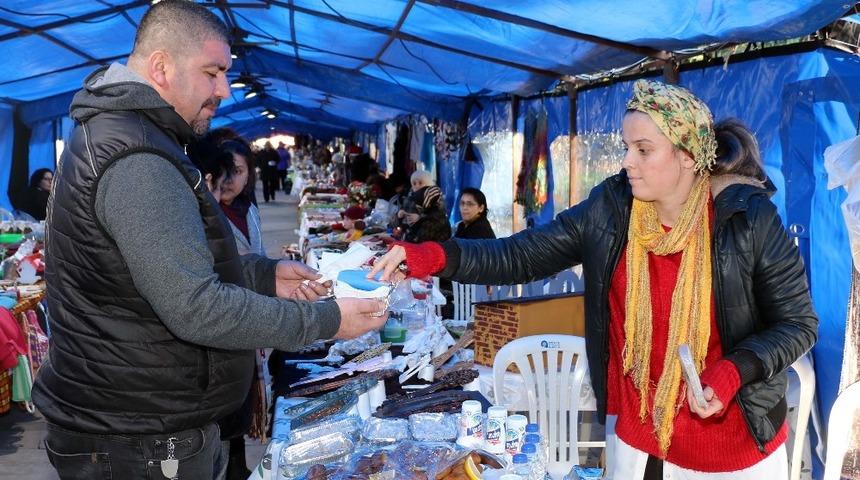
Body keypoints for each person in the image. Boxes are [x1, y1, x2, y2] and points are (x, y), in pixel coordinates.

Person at [372, 80, 818, 479]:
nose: (627, 162)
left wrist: (734, 369)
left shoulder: (747, 219)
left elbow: (798, 323)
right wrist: (432, 255)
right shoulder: (612, 209)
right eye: (626, 147)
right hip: (640, 439)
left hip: (731, 447)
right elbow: (520, 254)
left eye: (643, 150)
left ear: (686, 156)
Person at [35, 2, 387, 479]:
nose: (224, 89)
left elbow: (161, 266)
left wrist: (263, 276)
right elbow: (196, 307)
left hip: (138, 418)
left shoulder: (133, 137)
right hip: (139, 437)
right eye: (213, 72)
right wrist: (326, 320)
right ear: (161, 67)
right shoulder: (137, 159)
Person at [219, 139, 264, 256]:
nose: (228, 180)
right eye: (222, 170)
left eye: (237, 171)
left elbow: (261, 254)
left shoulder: (250, 209)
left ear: (248, 177)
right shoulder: (204, 214)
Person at [400, 171, 451, 243]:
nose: (417, 186)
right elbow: (401, 227)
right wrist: (399, 217)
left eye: (420, 183)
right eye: (414, 183)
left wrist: (419, 219)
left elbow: (421, 240)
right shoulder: (412, 201)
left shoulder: (436, 206)